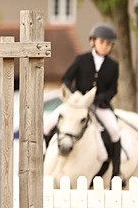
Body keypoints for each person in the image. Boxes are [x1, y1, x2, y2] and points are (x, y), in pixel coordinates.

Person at [48, 23, 122, 178]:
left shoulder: (113, 66)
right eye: (102, 42)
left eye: (109, 44)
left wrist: (101, 98)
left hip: (99, 105)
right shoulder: (81, 59)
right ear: (93, 41)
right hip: (76, 104)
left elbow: (113, 89)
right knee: (48, 124)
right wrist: (76, 96)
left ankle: (116, 171)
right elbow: (66, 79)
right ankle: (45, 156)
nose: (105, 46)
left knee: (114, 131)